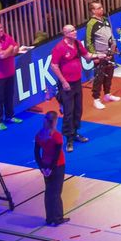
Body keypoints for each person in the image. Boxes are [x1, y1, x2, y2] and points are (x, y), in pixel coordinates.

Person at [47, 24, 90, 152]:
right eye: (71, 31)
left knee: (78, 109)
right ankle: (69, 139)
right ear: (65, 34)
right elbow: (54, 66)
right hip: (66, 85)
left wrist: (100, 56)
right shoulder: (59, 48)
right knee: (68, 111)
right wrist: (64, 81)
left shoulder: (77, 43)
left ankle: (75, 132)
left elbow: (87, 56)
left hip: (77, 82)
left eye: (74, 30)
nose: (75, 32)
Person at [34, 111, 67, 226]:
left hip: (45, 165)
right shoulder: (57, 136)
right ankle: (58, 218)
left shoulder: (39, 135)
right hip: (57, 166)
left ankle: (49, 218)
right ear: (54, 122)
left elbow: (36, 153)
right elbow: (57, 155)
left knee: (48, 192)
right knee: (56, 192)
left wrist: (42, 167)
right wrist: (51, 168)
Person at [84, 1, 119, 110]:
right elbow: (88, 41)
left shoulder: (105, 20)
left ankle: (107, 94)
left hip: (110, 53)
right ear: (93, 11)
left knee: (109, 73)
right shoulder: (91, 24)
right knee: (99, 76)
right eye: (98, 8)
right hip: (100, 54)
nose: (101, 9)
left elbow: (110, 35)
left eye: (101, 7)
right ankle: (96, 99)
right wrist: (94, 56)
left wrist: (114, 47)